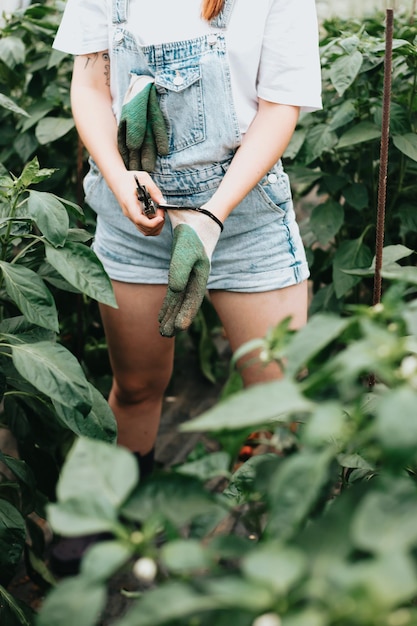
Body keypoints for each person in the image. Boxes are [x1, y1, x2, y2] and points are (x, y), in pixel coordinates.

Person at [51, 0, 322, 574]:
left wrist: (212, 215)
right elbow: (91, 86)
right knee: (138, 383)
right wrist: (122, 182)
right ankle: (111, 508)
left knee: (278, 404)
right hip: (136, 214)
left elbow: (279, 109)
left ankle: (274, 542)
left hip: (244, 218)